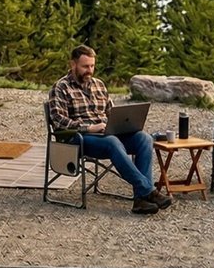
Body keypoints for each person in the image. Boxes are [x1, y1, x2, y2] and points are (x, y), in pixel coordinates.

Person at [47, 45, 172, 214]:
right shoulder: (61, 87)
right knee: (112, 142)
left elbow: (111, 112)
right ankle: (148, 191)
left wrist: (122, 124)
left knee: (144, 138)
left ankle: (140, 200)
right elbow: (59, 121)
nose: (89, 70)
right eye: (85, 66)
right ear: (73, 64)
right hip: (79, 139)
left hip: (106, 134)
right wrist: (89, 128)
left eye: (92, 66)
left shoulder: (99, 85)